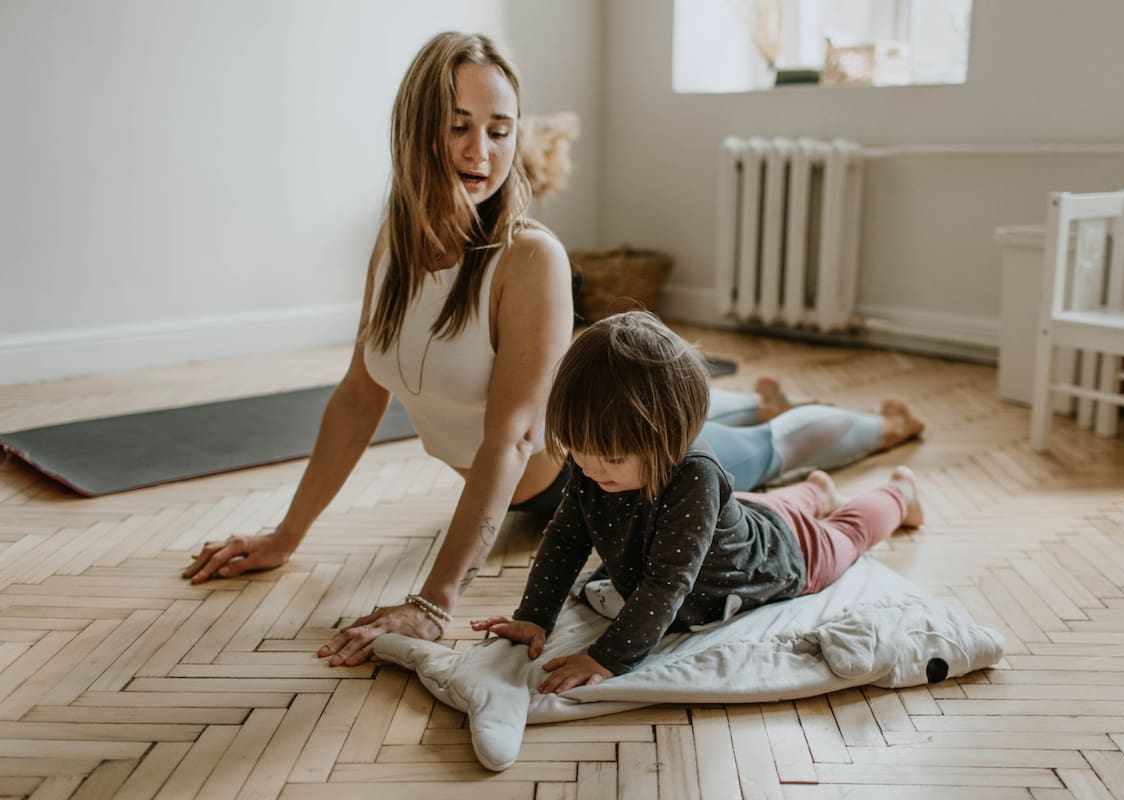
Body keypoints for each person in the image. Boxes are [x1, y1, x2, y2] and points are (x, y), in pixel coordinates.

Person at [181, 31, 923, 667]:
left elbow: (509, 438)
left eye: (500, 129)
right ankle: (758, 414)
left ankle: (882, 432)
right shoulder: (394, 247)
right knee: (734, 431)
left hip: (609, 471)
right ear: (414, 128)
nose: (482, 150)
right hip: (582, 456)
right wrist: (287, 534)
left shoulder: (527, 257)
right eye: (458, 125)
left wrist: (434, 603)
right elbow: (356, 397)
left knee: (763, 449)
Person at [471, 311, 923, 693]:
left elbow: (667, 583)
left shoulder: (695, 476)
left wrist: (607, 657)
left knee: (846, 533)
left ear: (668, 438)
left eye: (609, 457)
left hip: (781, 555)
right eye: (578, 451)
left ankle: (900, 493)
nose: (589, 469)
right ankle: (817, 489)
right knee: (766, 508)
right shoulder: (595, 465)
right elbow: (566, 538)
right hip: (742, 516)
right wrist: (534, 616)